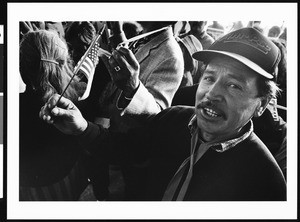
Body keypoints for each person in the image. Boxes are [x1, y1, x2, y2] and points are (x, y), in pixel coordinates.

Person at [40, 27, 286, 201]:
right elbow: (124, 149)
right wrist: (81, 127)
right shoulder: (174, 119)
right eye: (209, 77)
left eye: (234, 85)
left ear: (262, 104)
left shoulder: (266, 183)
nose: (212, 93)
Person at [19, 30, 88, 200]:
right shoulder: (76, 102)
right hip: (67, 179)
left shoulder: (12, 107)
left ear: (22, 66)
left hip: (29, 188)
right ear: (64, 63)